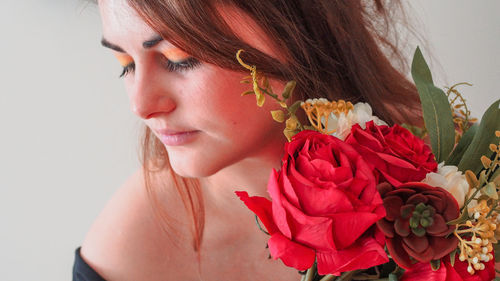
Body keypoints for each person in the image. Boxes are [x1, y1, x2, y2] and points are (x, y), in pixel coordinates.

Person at [73, 0, 423, 280]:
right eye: (125, 63)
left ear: (299, 25)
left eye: (178, 59)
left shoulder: (447, 169)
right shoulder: (126, 254)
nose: (141, 105)